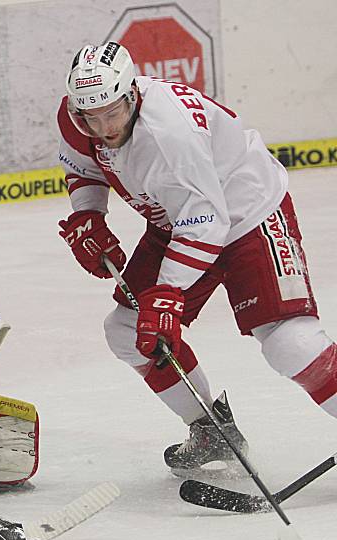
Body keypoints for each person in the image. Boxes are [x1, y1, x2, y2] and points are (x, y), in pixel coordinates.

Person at [56, 41, 337, 473]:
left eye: (111, 112)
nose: (103, 127)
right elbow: (84, 168)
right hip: (177, 220)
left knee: (289, 343)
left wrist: (167, 293)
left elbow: (208, 221)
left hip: (249, 217)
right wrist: (89, 215)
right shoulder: (79, 118)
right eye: (90, 117)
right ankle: (210, 430)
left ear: (132, 94)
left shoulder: (172, 133)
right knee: (128, 330)